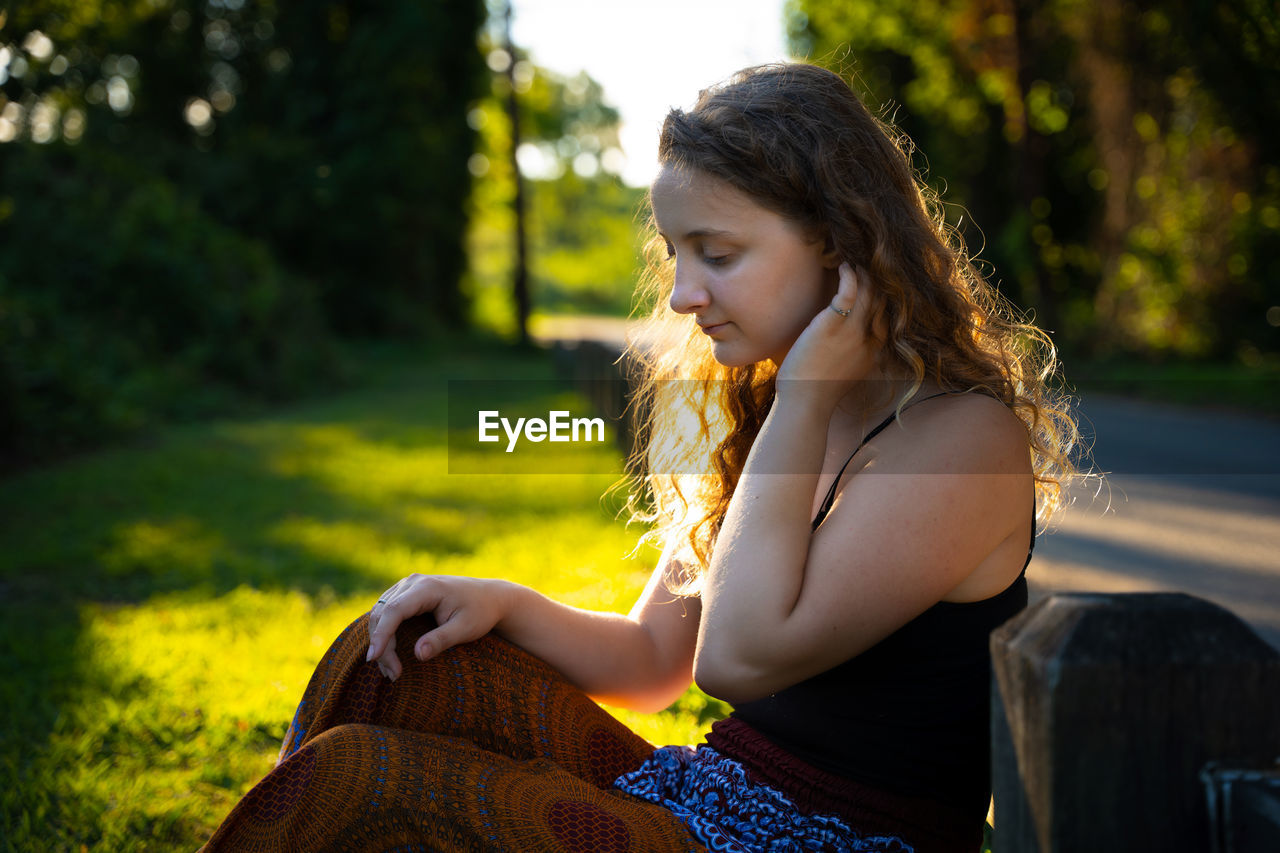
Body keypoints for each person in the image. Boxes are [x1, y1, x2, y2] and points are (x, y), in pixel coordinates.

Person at [201, 62, 1077, 853]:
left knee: (357, 779)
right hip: (709, 800)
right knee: (392, 658)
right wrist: (501, 602)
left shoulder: (961, 439)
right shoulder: (769, 410)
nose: (682, 294)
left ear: (840, 244)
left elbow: (733, 660)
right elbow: (656, 656)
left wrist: (805, 400)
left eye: (719, 254)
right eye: (676, 251)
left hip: (831, 838)